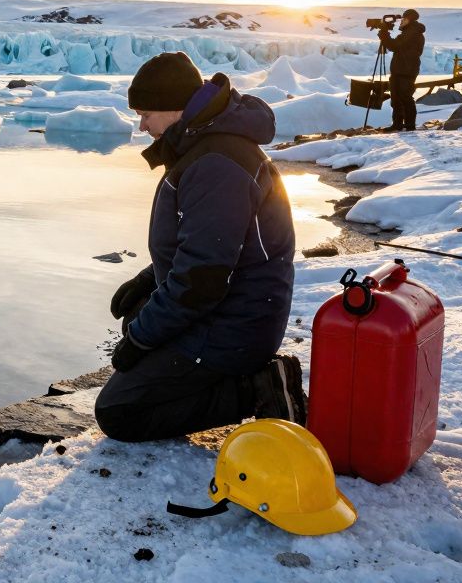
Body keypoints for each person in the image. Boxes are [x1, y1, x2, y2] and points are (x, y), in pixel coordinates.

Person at [94, 51, 305, 442]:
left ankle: (257, 387)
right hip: (229, 310)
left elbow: (202, 279)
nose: (142, 126)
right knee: (138, 317)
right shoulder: (207, 147)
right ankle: (224, 375)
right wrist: (148, 280)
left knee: (119, 412)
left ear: (174, 108)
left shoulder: (215, 163)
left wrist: (140, 339)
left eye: (146, 114)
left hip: (236, 323)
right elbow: (207, 245)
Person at [379, 9, 425, 132]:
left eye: (404, 19)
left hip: (406, 70)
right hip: (401, 69)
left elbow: (395, 46)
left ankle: (409, 125)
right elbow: (397, 46)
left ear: (409, 20)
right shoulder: (409, 32)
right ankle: (397, 124)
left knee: (405, 97)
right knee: (396, 98)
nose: (401, 21)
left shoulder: (413, 32)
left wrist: (384, 35)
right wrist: (385, 35)